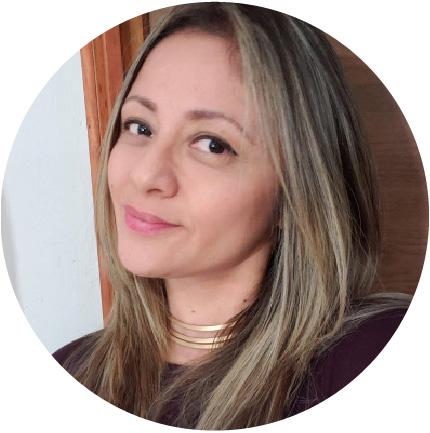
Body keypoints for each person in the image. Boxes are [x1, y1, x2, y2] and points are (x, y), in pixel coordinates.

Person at [53, 2, 412, 429]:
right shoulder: (72, 370)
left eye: (212, 144)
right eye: (140, 127)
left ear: (295, 192)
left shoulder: (376, 355)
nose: (146, 175)